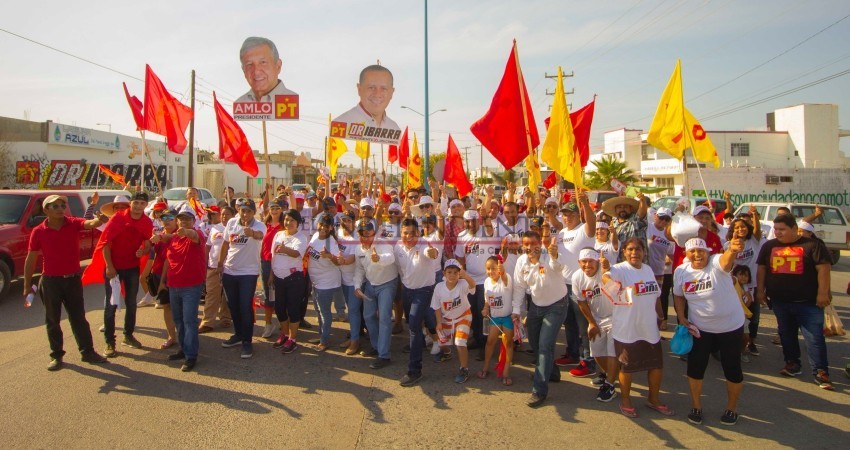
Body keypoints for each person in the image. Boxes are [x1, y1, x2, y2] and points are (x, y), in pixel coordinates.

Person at [23, 195, 108, 371]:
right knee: (53, 320)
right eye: (55, 206)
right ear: (46, 210)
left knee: (78, 318)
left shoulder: (72, 223)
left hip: (72, 280)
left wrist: (99, 220)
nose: (61, 208)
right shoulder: (38, 231)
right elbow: (30, 259)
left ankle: (88, 352)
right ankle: (56, 356)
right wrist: (26, 284)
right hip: (50, 281)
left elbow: (89, 223)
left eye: (63, 205)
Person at [674, 237, 746, 425]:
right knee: (695, 368)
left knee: (732, 368)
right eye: (693, 251)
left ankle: (732, 408)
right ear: (686, 254)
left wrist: (733, 249)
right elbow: (678, 295)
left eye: (701, 251)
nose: (697, 254)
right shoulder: (681, 271)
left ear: (708, 252)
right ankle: (696, 406)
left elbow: (726, 260)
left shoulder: (715, 263)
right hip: (701, 329)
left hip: (730, 327)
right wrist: (681, 317)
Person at [756, 214, 833, 390]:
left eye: (782, 229)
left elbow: (824, 268)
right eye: (775, 229)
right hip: (780, 302)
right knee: (786, 335)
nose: (778, 233)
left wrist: (823, 293)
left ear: (794, 229)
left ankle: (821, 371)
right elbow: (762, 268)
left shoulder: (812, 245)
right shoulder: (769, 246)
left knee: (814, 338)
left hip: (808, 303)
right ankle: (792, 364)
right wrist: (761, 291)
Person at [602, 238, 671, 419]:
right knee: (627, 368)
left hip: (649, 328)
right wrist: (604, 270)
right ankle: (625, 400)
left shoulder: (648, 270)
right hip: (626, 330)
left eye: (638, 249)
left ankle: (653, 399)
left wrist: (661, 317)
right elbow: (606, 281)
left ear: (644, 252)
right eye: (630, 249)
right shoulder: (618, 269)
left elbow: (656, 296)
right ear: (624, 252)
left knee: (656, 366)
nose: (635, 253)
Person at [512, 230, 569, 408]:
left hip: (557, 305)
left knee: (545, 346)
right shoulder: (521, 261)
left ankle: (539, 390)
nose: (530, 247)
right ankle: (551, 372)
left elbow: (558, 267)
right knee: (535, 344)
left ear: (540, 243)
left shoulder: (549, 255)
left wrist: (553, 255)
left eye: (533, 243)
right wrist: (516, 310)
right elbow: (520, 287)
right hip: (536, 306)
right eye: (526, 244)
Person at [100, 191, 153, 357]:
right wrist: (109, 267)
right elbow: (105, 243)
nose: (138, 206)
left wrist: (142, 251)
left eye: (142, 204)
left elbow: (148, 245)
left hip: (132, 268)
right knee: (111, 305)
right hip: (113, 269)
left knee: (131, 303)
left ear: (146, 205)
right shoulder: (118, 218)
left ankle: (128, 336)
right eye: (135, 203)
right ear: (131, 204)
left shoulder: (146, 222)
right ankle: (109, 341)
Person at [553, 193, 597, 377]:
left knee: (584, 324)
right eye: (564, 214)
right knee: (569, 323)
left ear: (578, 215)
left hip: (580, 285)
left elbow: (592, 223)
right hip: (563, 285)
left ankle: (589, 361)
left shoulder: (584, 230)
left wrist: (586, 204)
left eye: (571, 214)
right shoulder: (562, 233)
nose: (567, 217)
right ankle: (572, 353)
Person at [395, 218, 440, 386]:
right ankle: (420, 344)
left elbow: (432, 253)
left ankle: (415, 370)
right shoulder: (398, 247)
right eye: (405, 233)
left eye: (412, 234)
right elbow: (400, 270)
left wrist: (432, 253)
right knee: (412, 324)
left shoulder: (424, 246)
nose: (408, 237)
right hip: (407, 290)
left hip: (424, 291)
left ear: (418, 233)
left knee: (413, 324)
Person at [218, 198, 266, 359]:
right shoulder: (232, 223)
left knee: (245, 307)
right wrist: (220, 263)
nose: (245, 214)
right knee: (234, 306)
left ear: (254, 212)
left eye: (249, 211)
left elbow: (260, 236)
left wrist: (251, 233)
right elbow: (225, 243)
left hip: (248, 273)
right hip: (230, 271)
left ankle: (247, 341)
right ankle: (238, 335)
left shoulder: (259, 225)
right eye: (243, 210)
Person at [159, 210, 206, 372]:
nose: (184, 222)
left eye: (187, 219)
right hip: (174, 285)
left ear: (194, 221)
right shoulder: (175, 237)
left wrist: (187, 232)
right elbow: (167, 255)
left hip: (191, 286)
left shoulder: (197, 233)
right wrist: (163, 281)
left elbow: (194, 236)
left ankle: (191, 356)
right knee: (178, 319)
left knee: (189, 321)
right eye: (181, 220)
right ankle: (184, 349)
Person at [572, 248, 617, 402]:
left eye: (591, 261)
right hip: (597, 318)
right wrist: (591, 322)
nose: (587, 265)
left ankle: (610, 385)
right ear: (579, 263)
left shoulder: (608, 271)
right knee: (597, 353)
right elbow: (581, 302)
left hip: (615, 317)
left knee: (612, 353)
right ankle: (608, 374)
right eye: (584, 262)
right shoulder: (577, 277)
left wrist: (608, 272)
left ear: (597, 261)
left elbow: (617, 292)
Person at [353, 221, 398, 369]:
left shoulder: (383, 244)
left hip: (387, 284)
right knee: (368, 316)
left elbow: (390, 257)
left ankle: (384, 355)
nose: (364, 238)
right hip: (371, 285)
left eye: (367, 234)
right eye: (361, 234)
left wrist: (379, 259)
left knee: (384, 318)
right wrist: (357, 286)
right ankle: (377, 346)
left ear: (373, 234)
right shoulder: (358, 249)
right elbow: (359, 270)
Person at [454, 209, 496, 357]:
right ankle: (478, 339)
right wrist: (462, 275)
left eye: (473, 221)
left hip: (486, 281)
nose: (470, 224)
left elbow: (490, 228)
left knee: (483, 314)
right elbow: (460, 257)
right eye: (467, 221)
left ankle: (485, 346)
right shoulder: (461, 236)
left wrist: (486, 214)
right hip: (470, 281)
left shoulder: (487, 232)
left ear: (479, 221)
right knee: (472, 314)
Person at [430, 259, 477, 385]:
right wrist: (439, 322)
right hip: (446, 318)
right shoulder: (439, 287)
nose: (452, 275)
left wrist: (465, 275)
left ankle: (464, 369)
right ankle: (446, 353)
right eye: (449, 272)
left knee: (460, 342)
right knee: (442, 343)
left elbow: (473, 286)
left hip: (463, 316)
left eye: (455, 272)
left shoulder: (462, 283)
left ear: (459, 273)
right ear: (444, 273)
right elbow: (436, 307)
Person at [270, 209, 309, 354]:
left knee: (293, 309)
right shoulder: (278, 234)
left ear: (298, 223)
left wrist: (285, 249)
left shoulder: (301, 238)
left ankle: (293, 339)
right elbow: (273, 255)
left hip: (294, 278)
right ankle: (285, 334)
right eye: (286, 219)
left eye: (292, 220)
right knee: (279, 308)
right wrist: (271, 275)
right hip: (278, 278)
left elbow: (297, 253)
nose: (289, 223)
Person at [332, 65, 401, 144]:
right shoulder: (340, 124)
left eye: (384, 88)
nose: (377, 94)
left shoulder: (394, 128)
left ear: (392, 92)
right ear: (359, 89)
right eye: (371, 87)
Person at [725, 215, 762, 355]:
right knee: (736, 315)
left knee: (754, 317)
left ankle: (751, 342)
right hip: (735, 287)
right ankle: (734, 343)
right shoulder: (728, 244)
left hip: (752, 285)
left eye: (743, 226)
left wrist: (754, 216)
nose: (741, 229)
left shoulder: (754, 240)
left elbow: (757, 230)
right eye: (737, 227)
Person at [479, 256, 519, 386]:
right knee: (490, 342)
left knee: (508, 344)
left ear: (499, 268)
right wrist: (485, 308)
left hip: (507, 318)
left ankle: (506, 373)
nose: (490, 271)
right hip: (494, 318)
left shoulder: (505, 278)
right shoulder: (486, 282)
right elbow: (487, 299)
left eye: (493, 268)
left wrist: (502, 271)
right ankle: (485, 367)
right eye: (488, 269)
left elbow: (505, 279)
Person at [306, 214, 343, 352]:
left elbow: (338, 261)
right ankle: (322, 335)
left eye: (326, 226)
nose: (323, 228)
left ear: (331, 228)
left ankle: (324, 340)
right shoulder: (315, 236)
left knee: (325, 313)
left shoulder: (331, 242)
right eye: (321, 224)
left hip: (326, 283)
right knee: (318, 310)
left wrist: (330, 256)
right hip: (315, 282)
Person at [144, 210, 178, 350]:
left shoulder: (180, 233)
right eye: (164, 218)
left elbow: (172, 238)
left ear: (176, 219)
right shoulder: (159, 234)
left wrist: (160, 238)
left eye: (170, 217)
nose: (167, 220)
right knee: (166, 306)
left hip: (175, 275)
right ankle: (172, 336)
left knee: (180, 308)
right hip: (158, 274)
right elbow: (151, 253)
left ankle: (185, 336)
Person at [200, 206, 233, 333]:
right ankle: (208, 321)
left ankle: (226, 317)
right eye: (223, 214)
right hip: (213, 266)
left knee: (227, 295)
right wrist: (205, 262)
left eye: (228, 214)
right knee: (211, 295)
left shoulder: (236, 228)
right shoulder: (215, 228)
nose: (225, 217)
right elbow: (208, 247)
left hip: (230, 268)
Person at [236, 37, 297, 102]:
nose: (256, 71)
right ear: (243, 70)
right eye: (249, 64)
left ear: (278, 66)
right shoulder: (238, 104)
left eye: (263, 62)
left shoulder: (295, 103)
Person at [260, 199, 285, 339]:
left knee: (280, 294)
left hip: (279, 262)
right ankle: (268, 324)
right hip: (264, 262)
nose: (274, 210)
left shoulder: (283, 226)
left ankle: (284, 323)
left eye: (277, 208)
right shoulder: (264, 225)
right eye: (272, 208)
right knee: (268, 294)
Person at [647, 207, 675, 330]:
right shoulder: (648, 227)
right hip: (645, 270)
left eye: (666, 219)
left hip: (659, 271)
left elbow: (673, 254)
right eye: (661, 217)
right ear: (655, 216)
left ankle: (656, 325)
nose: (663, 221)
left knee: (656, 298)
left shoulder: (669, 234)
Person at [601, 193, 648, 263]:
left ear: (630, 209)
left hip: (637, 265)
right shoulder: (613, 223)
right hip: (619, 264)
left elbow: (642, 213)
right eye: (619, 207)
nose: (622, 209)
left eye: (625, 207)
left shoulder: (635, 220)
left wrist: (642, 201)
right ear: (615, 210)